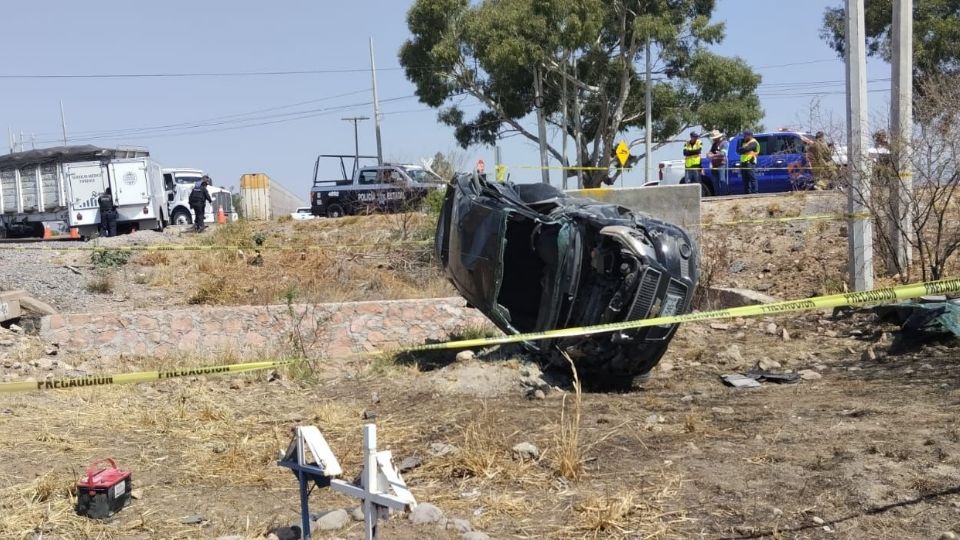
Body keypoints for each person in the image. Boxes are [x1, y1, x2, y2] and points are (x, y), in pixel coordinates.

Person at [707, 129, 728, 195]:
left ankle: (724, 195)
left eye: (715, 138)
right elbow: (709, 153)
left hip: (721, 164)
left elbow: (723, 153)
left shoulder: (724, 143)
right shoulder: (714, 144)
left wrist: (712, 155)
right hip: (714, 165)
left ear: (718, 137)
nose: (714, 139)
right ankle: (717, 195)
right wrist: (709, 154)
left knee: (722, 180)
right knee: (715, 181)